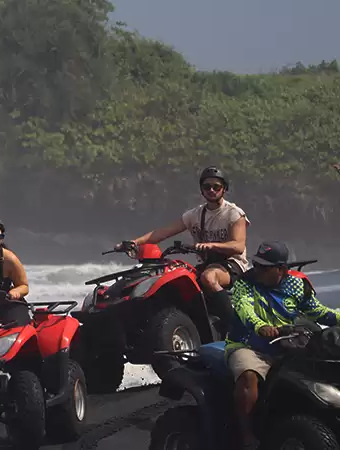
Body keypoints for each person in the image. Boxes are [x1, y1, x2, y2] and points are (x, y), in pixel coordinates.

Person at [226, 240, 340, 449]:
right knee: (248, 376)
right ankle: (247, 435)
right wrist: (261, 327)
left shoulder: (297, 284)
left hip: (290, 342)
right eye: (256, 264)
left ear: (281, 269)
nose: (257, 270)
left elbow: (319, 312)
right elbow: (244, 310)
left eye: (264, 267)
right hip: (249, 345)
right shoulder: (245, 283)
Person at [116, 166, 250, 338]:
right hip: (207, 264)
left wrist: (212, 245)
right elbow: (161, 233)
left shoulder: (234, 214)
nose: (211, 190)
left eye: (216, 187)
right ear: (201, 189)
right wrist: (133, 243)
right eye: (207, 186)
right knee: (176, 280)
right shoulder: (194, 215)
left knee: (209, 278)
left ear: (224, 189)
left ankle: (233, 327)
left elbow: (238, 246)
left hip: (233, 264)